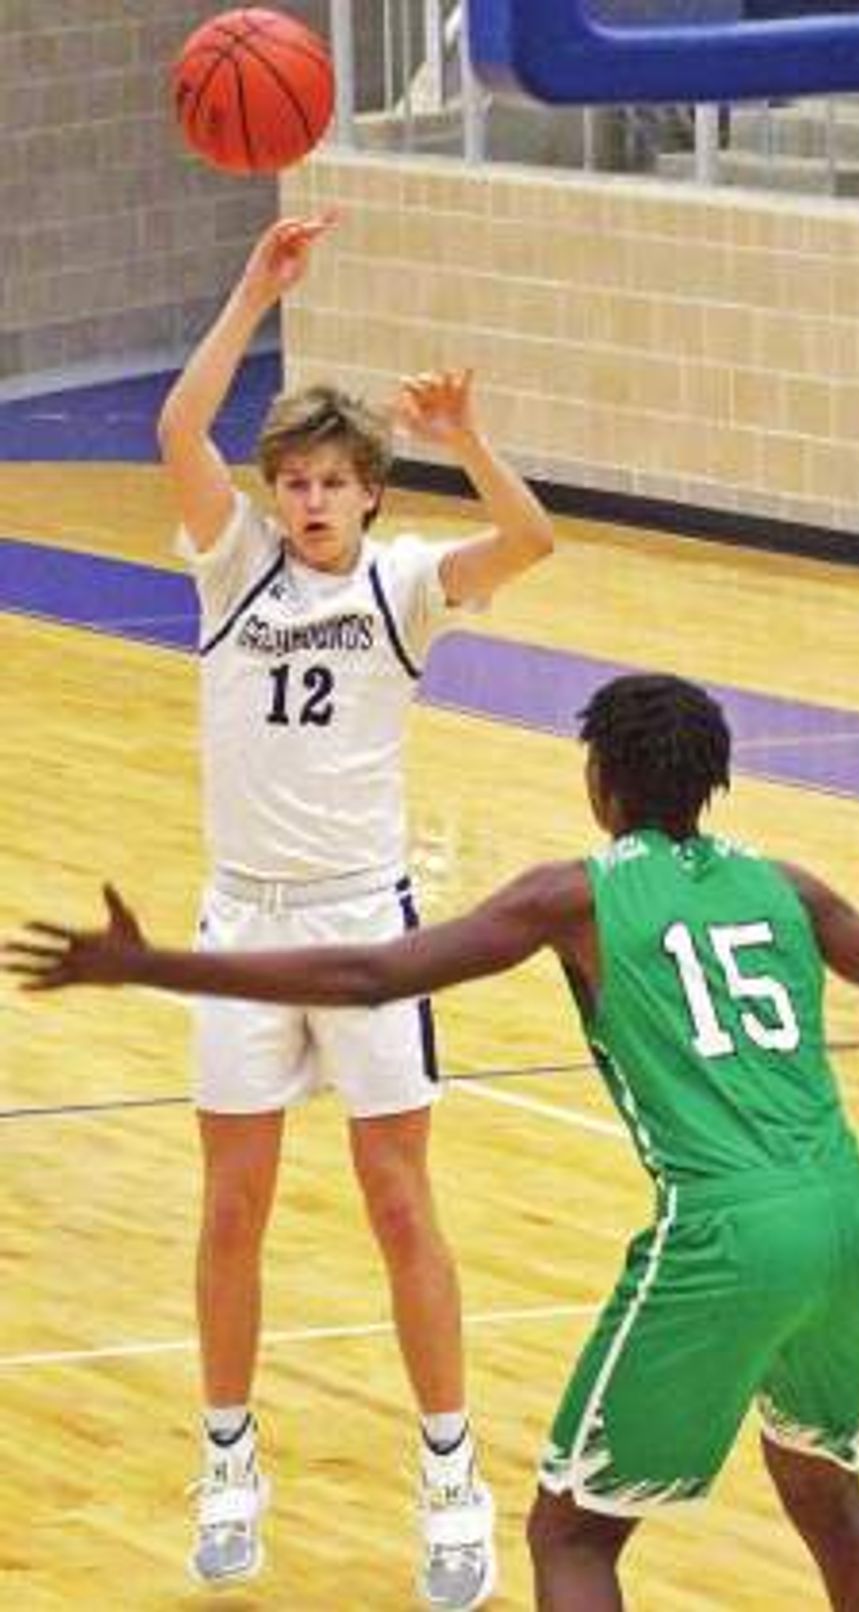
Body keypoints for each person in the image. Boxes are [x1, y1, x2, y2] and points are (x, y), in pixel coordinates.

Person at [9, 671, 859, 1611]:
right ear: (714, 782)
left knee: (572, 1535)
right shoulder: (786, 886)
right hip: (853, 1217)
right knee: (823, 1492)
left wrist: (156, 964)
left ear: (600, 782)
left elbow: (368, 973)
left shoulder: (579, 895)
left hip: (727, 1232)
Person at [137, 211, 552, 1604]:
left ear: (373, 494)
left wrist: (472, 438)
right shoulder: (232, 562)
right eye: (295, 481)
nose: (311, 502)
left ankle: (450, 1476)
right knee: (233, 1207)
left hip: (369, 928)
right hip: (243, 929)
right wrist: (257, 282)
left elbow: (532, 541)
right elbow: (176, 426)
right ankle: (229, 1460)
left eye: (334, 482)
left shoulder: (405, 584)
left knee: (396, 1201)